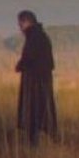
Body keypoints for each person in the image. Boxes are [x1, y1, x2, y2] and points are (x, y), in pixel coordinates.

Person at [15, 10, 58, 146]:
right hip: (42, 82)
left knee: (33, 114)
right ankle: (43, 142)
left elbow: (29, 59)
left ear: (27, 22)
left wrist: (20, 65)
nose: (20, 27)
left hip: (35, 84)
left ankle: (34, 144)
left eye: (21, 23)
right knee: (43, 113)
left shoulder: (34, 37)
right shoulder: (40, 36)